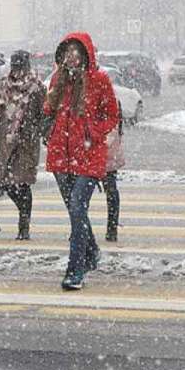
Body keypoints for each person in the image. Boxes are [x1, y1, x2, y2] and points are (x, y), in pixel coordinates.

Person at [44, 32, 119, 291]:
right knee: (76, 213)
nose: (72, 57)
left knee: (77, 207)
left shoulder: (99, 80)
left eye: (77, 52)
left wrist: (94, 132)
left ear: (86, 55)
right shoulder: (58, 79)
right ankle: (93, 251)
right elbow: (48, 110)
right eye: (67, 52)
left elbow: (112, 114)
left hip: (88, 155)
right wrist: (50, 101)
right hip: (61, 154)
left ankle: (75, 269)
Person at [0, 50, 46, 241]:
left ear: (27, 66)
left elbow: (43, 116)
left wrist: (33, 130)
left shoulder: (36, 88)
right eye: (15, 66)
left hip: (26, 144)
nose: (17, 71)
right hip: (6, 143)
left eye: (21, 66)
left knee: (22, 183)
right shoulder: (4, 86)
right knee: (7, 183)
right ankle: (23, 213)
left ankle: (24, 225)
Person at [103, 104, 125, 243]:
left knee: (80, 195)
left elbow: (114, 129)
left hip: (103, 154)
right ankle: (112, 228)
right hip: (100, 153)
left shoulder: (109, 98)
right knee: (111, 191)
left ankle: (112, 228)